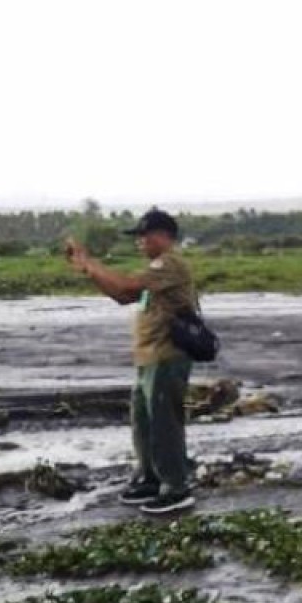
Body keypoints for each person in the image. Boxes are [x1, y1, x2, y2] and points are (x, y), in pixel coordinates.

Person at [65, 207, 197, 514]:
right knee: (144, 423)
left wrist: (89, 263)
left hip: (167, 356)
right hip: (149, 358)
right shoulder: (156, 269)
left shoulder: (169, 264)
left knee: (165, 424)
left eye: (144, 235)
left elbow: (126, 286)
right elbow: (122, 296)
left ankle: (176, 486)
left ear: (164, 236)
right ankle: (151, 478)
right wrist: (88, 271)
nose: (139, 242)